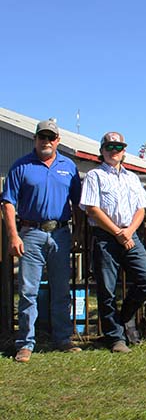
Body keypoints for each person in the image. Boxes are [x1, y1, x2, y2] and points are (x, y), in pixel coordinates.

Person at [1, 119, 82, 362]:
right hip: (31, 233)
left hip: (60, 233)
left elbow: (78, 203)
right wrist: (13, 235)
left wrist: (76, 233)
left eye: (51, 137)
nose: (46, 141)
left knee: (62, 289)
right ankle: (25, 343)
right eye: (42, 137)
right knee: (28, 291)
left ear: (58, 141)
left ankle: (63, 338)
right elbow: (8, 203)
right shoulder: (21, 166)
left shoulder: (68, 166)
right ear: (35, 139)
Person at [80, 132, 146, 353]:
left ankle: (124, 318)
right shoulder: (94, 176)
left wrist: (129, 231)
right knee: (107, 289)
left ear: (124, 151)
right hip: (106, 236)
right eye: (109, 147)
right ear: (102, 151)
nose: (114, 151)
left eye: (119, 147)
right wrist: (116, 232)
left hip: (130, 236)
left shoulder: (132, 178)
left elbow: (141, 208)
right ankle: (116, 338)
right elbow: (92, 208)